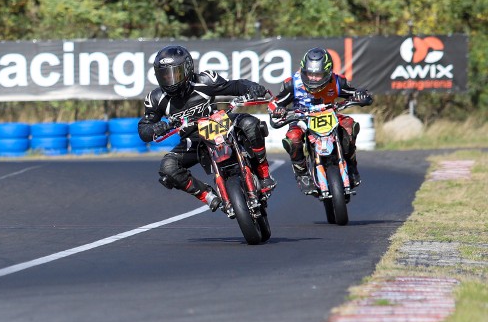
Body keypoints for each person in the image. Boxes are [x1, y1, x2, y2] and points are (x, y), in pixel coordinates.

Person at [138, 45, 276, 212]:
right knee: (168, 167)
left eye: (175, 73)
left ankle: (264, 173)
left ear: (188, 69)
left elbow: (235, 86)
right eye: (165, 75)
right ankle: (208, 196)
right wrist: (155, 128)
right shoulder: (155, 98)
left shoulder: (205, 80)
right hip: (194, 139)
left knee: (250, 124)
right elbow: (144, 128)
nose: (170, 79)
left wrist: (251, 88)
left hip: (220, 123)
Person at [267, 47, 372, 194]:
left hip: (331, 115)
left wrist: (361, 95)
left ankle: (351, 164)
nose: (313, 78)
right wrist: (278, 110)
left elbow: (355, 93)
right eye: (309, 74)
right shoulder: (292, 84)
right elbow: (274, 103)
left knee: (349, 125)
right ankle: (302, 173)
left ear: (328, 72)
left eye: (318, 75)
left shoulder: (337, 81)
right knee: (293, 138)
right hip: (302, 118)